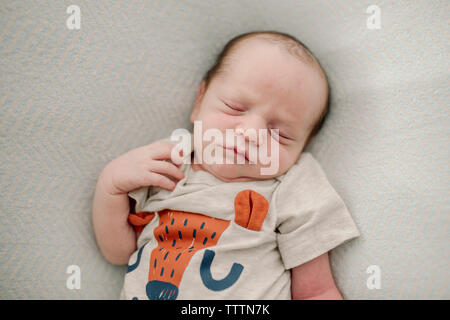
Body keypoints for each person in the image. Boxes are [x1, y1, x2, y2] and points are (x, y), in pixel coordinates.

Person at [92, 31, 360, 300]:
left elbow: (316, 291)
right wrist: (110, 188)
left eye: (281, 134)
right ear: (200, 102)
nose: (251, 132)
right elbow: (119, 253)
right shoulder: (167, 161)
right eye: (234, 107)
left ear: (302, 147)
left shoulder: (290, 186)